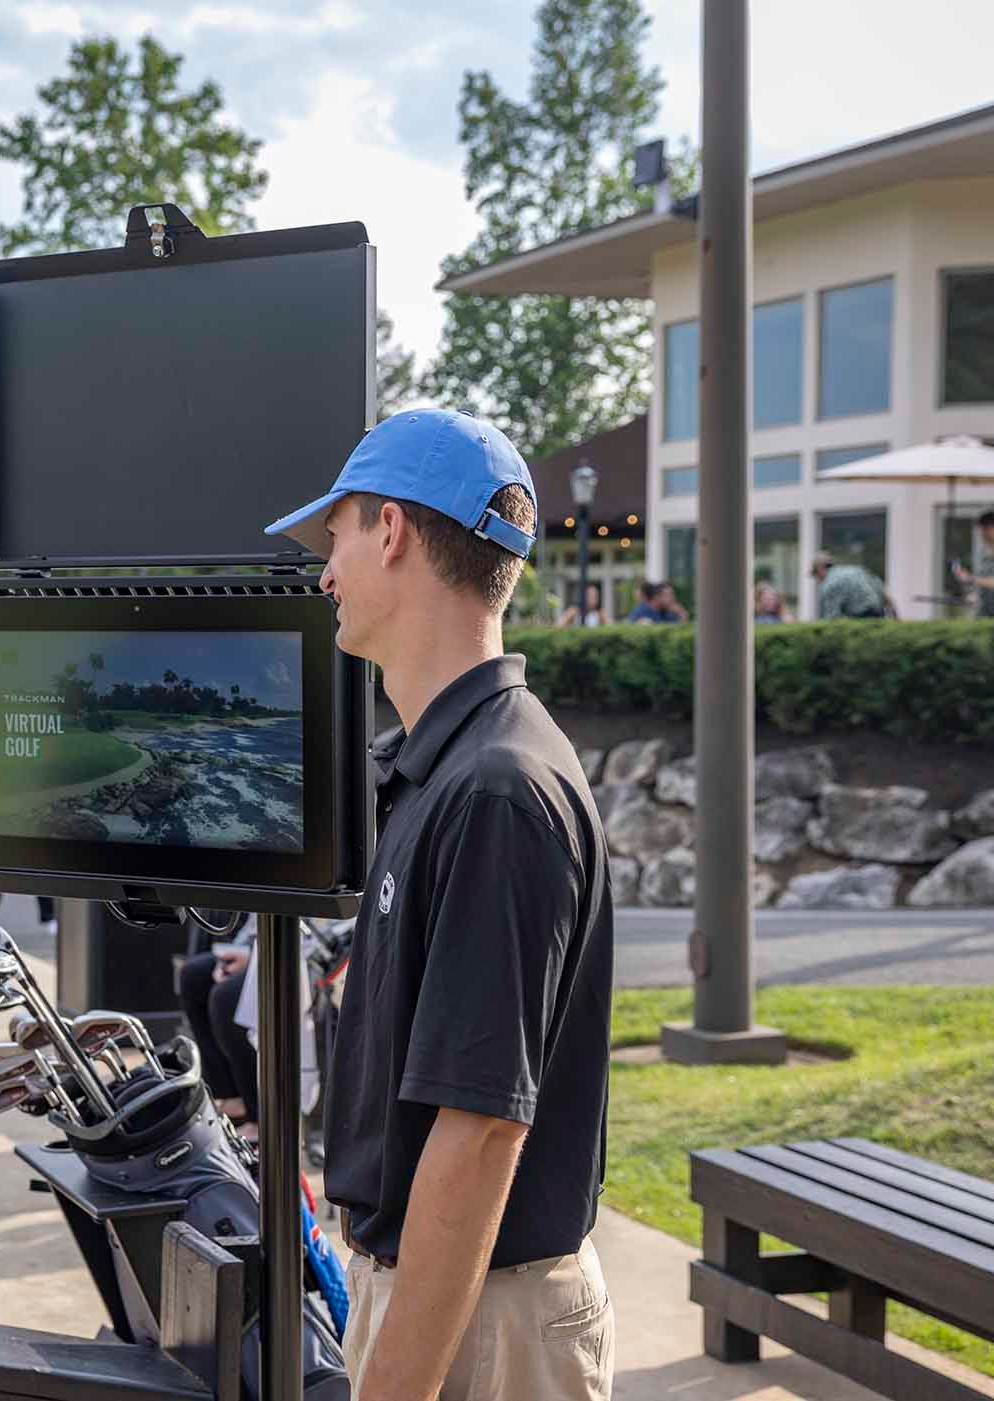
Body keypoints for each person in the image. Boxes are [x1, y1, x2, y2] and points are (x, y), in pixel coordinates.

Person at [264, 408, 614, 1399]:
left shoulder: (496, 791)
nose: (324, 574)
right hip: (445, 1295)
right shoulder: (446, 766)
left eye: (334, 538)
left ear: (391, 531)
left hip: (480, 1320)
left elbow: (480, 1131)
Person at [176, 933, 256, 1127]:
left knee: (225, 998)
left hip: (300, 954)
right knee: (193, 976)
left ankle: (259, 1114)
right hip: (254, 946)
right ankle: (231, 1094)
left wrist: (254, 958)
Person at [952, 511, 994, 617]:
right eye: (982, 529)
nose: (982, 532)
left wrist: (970, 578)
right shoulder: (980, 553)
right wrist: (971, 594)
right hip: (983, 612)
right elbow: (978, 582)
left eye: (985, 528)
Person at [812, 551, 898, 620]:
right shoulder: (857, 570)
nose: (817, 579)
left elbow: (832, 619)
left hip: (860, 619)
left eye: (815, 574)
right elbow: (883, 593)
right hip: (879, 616)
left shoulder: (829, 584)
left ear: (820, 569)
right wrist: (897, 620)